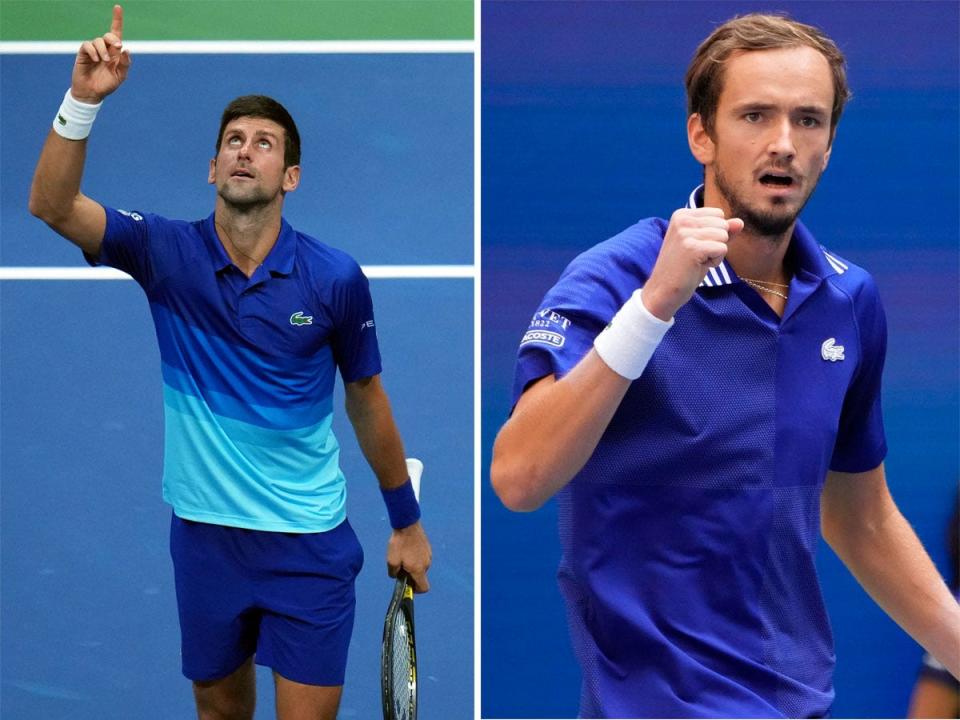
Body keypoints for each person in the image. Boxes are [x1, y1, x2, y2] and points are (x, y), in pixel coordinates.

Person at [491, 12, 960, 719]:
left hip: (795, 703)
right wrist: (654, 308)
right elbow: (519, 477)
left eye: (808, 120)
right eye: (755, 116)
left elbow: (860, 518)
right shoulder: (615, 279)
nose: (783, 145)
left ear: (830, 144)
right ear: (701, 134)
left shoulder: (848, 301)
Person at [28, 6, 431, 720]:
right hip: (206, 540)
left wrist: (405, 520)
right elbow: (51, 206)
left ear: (292, 175)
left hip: (307, 541)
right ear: (213, 166)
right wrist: (81, 101)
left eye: (265, 143)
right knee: (219, 713)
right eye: (234, 141)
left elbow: (367, 398)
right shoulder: (165, 254)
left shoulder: (334, 279)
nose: (247, 151)